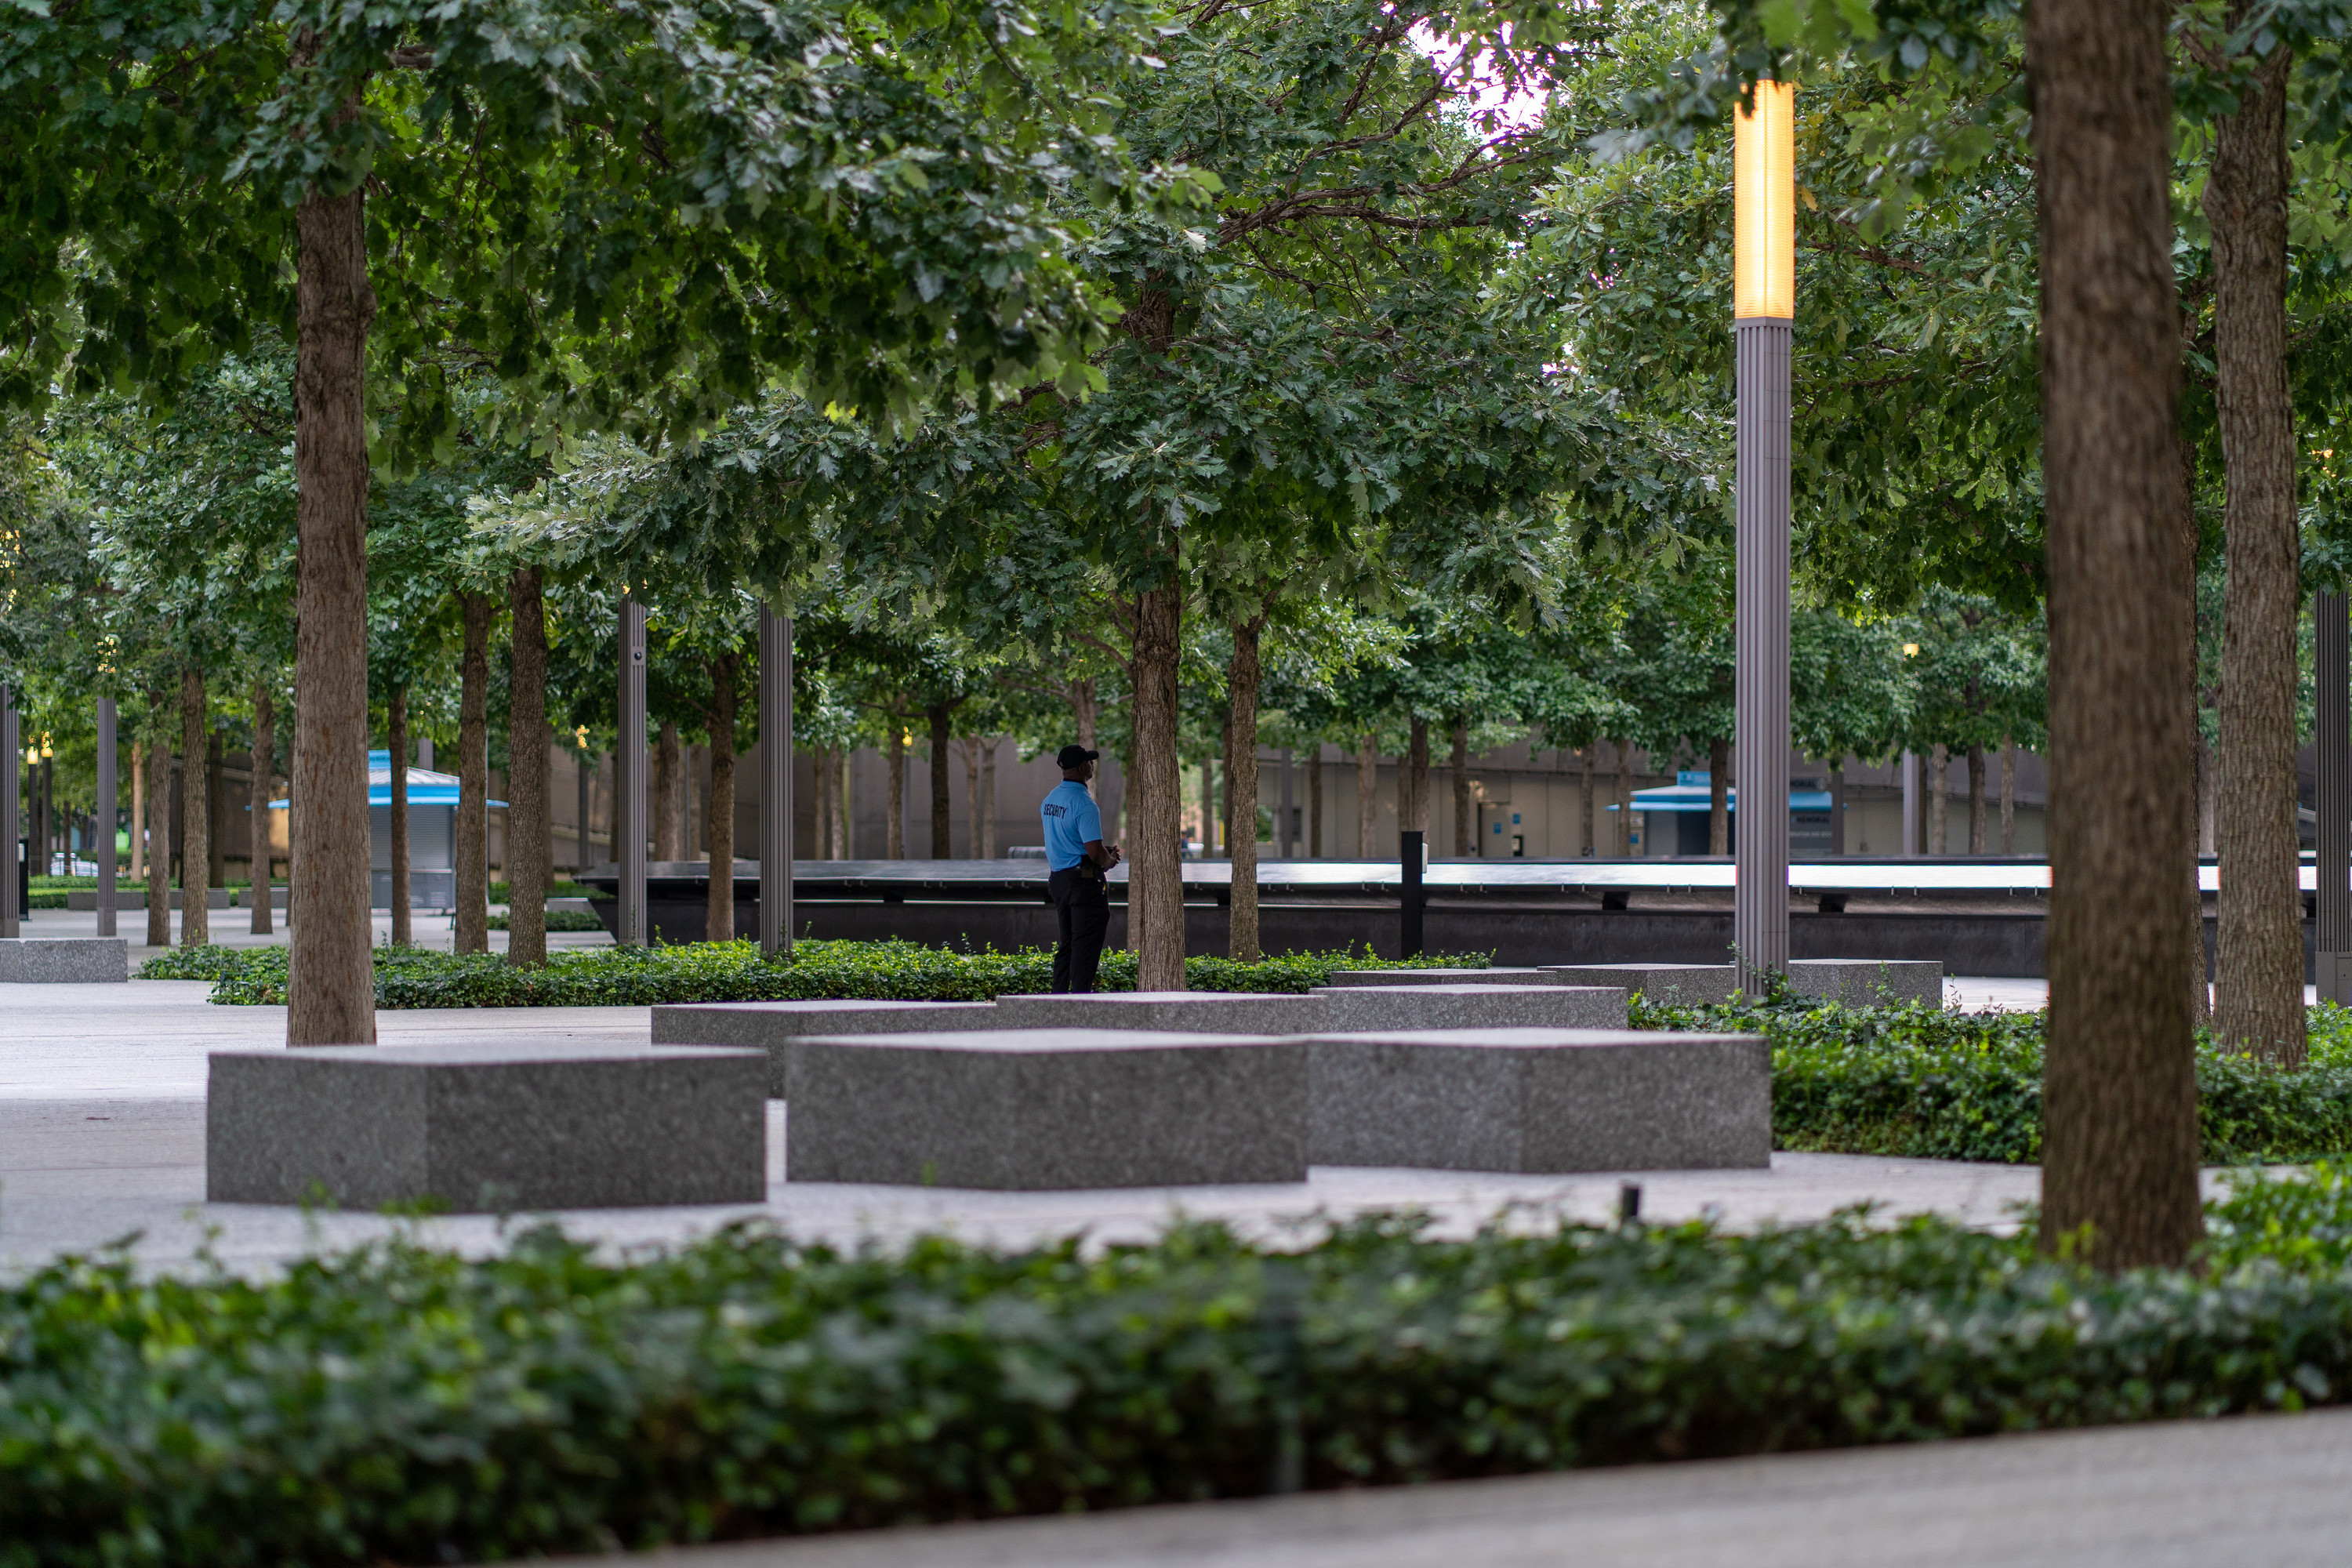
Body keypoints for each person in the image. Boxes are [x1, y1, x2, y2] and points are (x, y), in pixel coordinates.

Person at [1041, 744, 1120, 993]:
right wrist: (1110, 860)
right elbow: (1095, 853)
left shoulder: (1050, 800)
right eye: (1089, 761)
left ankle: (1058, 998)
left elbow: (1069, 842)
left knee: (1067, 943)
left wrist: (1098, 853)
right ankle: (1080, 1001)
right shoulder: (1085, 805)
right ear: (1081, 767)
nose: (1092, 764)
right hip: (1084, 885)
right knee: (1085, 945)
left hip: (1059, 881)